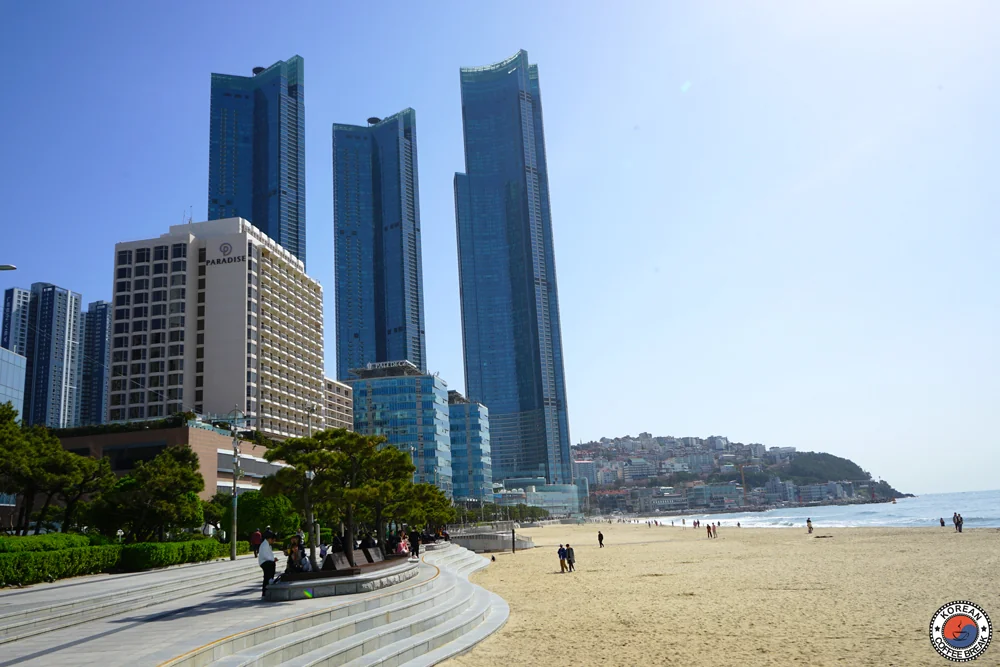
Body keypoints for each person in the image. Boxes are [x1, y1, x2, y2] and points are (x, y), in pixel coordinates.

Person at [258, 531, 277, 597]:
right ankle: (265, 591)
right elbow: (265, 555)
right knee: (267, 576)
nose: (273, 542)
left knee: (268, 575)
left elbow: (269, 555)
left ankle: (270, 582)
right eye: (273, 540)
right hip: (264, 562)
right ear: (269, 539)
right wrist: (272, 559)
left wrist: (273, 559)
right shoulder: (264, 545)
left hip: (267, 561)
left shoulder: (267, 545)